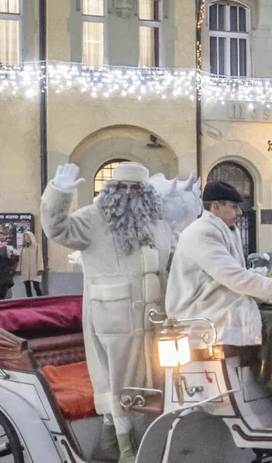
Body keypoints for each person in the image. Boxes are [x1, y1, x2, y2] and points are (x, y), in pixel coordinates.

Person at [40, 161, 178, 463]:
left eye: (135, 188)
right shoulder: (93, 218)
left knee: (153, 383)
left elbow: (174, 265)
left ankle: (136, 446)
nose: (128, 193)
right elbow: (58, 229)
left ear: (146, 192)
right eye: (122, 186)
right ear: (112, 189)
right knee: (118, 384)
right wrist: (59, 193)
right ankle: (125, 450)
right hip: (113, 319)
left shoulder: (159, 224)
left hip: (155, 322)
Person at [167, 181, 272, 417]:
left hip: (219, 307)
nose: (240, 212)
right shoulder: (202, 234)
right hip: (202, 315)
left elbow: (236, 274)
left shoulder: (221, 229)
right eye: (234, 207)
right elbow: (236, 279)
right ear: (215, 207)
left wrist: (267, 276)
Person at [16, 227, 43, 297]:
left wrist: (40, 268)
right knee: (27, 288)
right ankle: (29, 301)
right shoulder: (23, 248)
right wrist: (18, 269)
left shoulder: (37, 246)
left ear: (31, 238)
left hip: (34, 269)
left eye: (28, 237)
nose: (26, 239)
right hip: (25, 270)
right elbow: (20, 260)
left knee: (36, 287)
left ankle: (41, 300)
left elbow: (39, 258)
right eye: (25, 238)